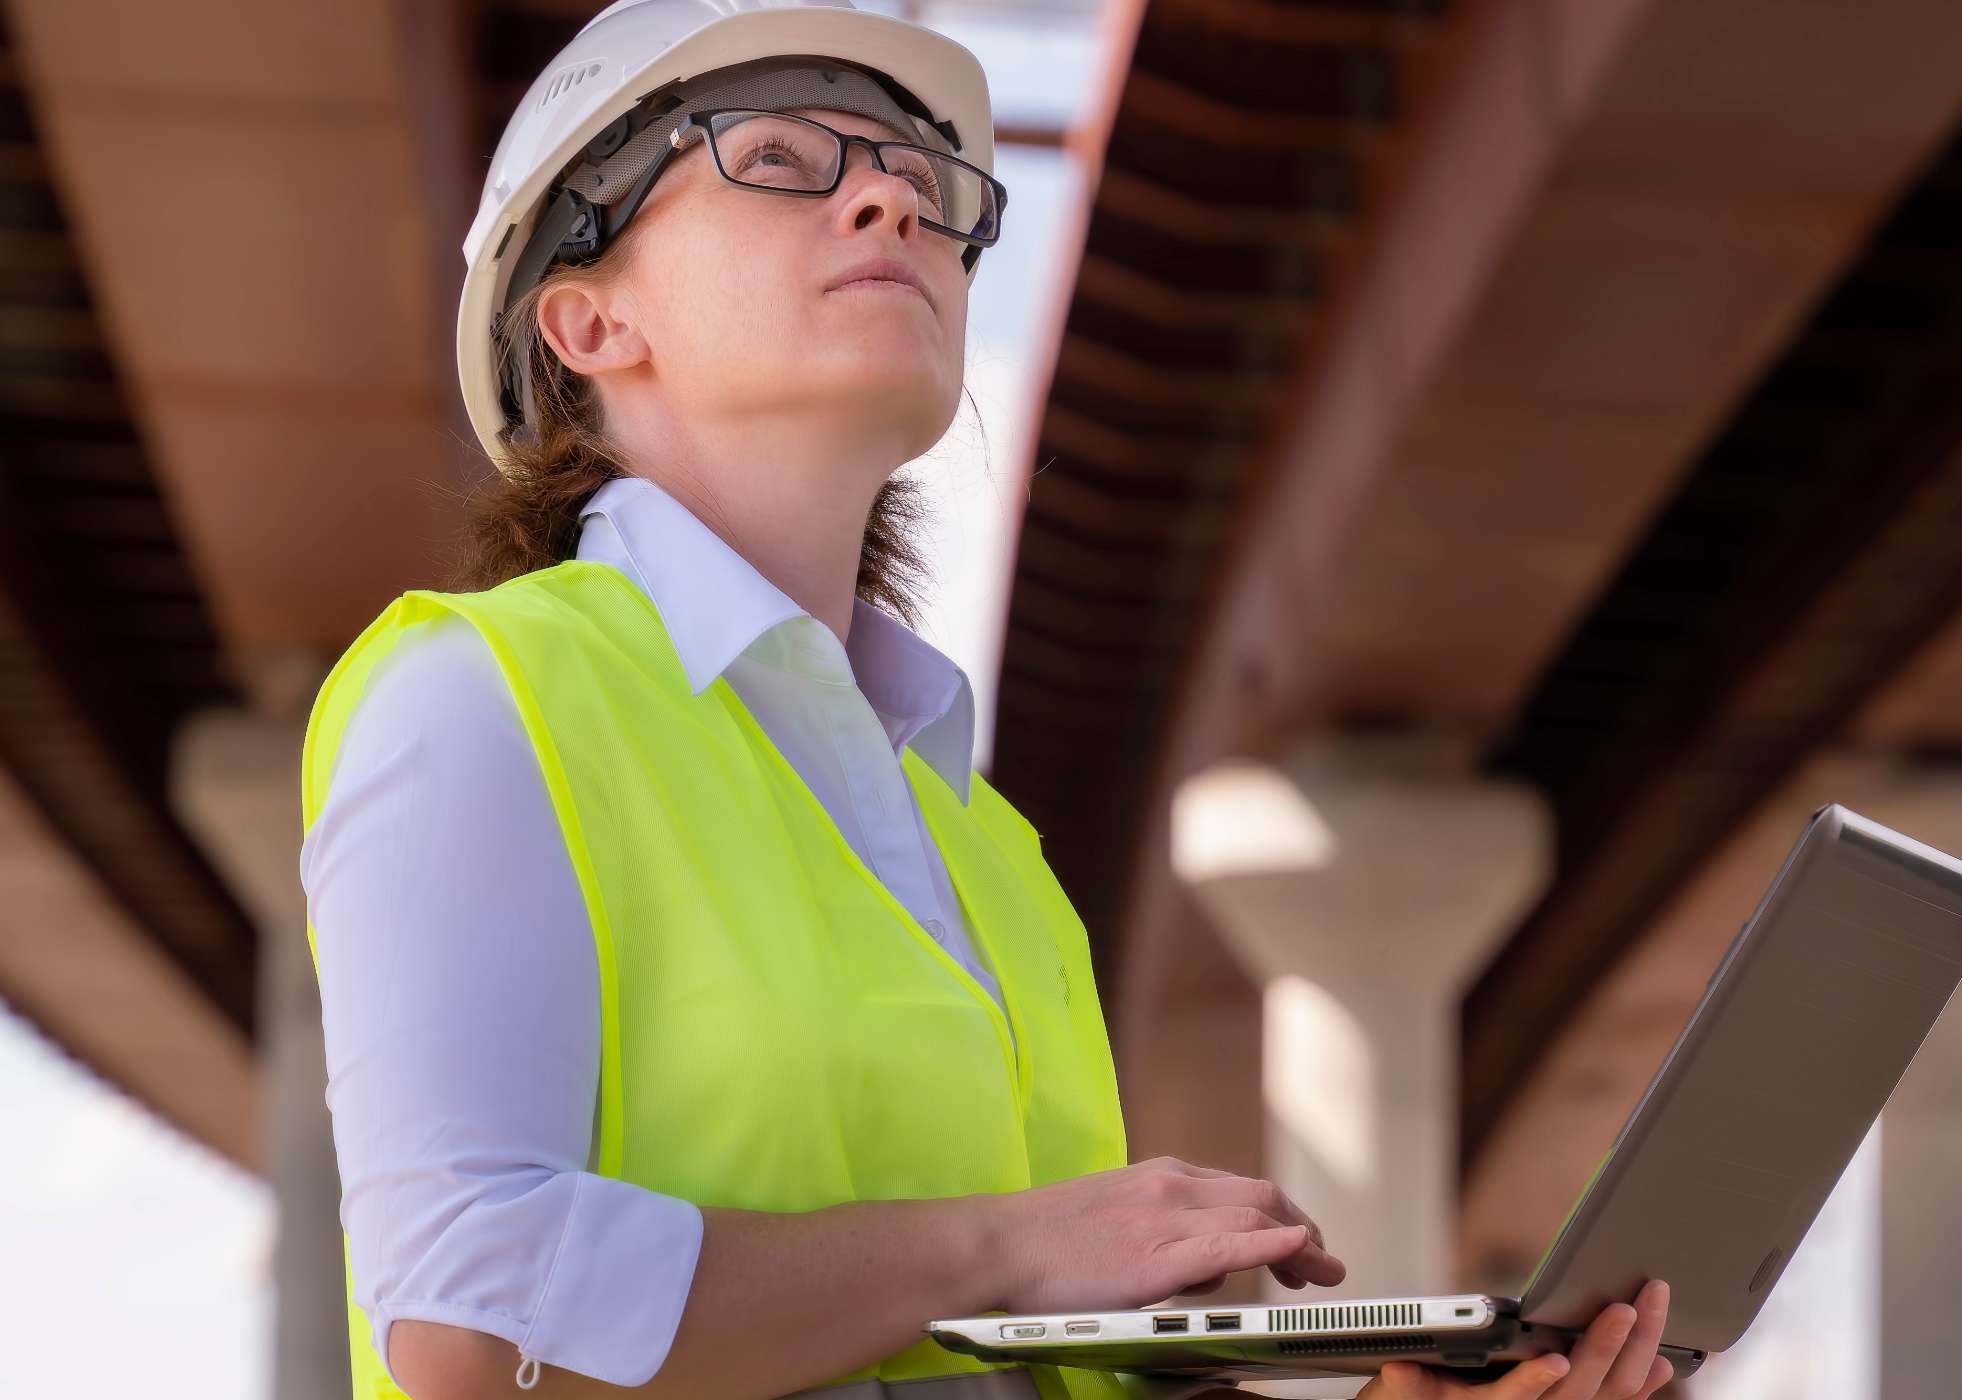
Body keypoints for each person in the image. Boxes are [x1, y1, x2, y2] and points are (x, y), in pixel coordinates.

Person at [296, 2, 1683, 1397]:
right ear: (590, 318)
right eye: (780, 155)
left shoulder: (988, 854)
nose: (894, 197)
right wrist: (999, 1250)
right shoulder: (480, 700)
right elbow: (470, 1328)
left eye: (925, 184)